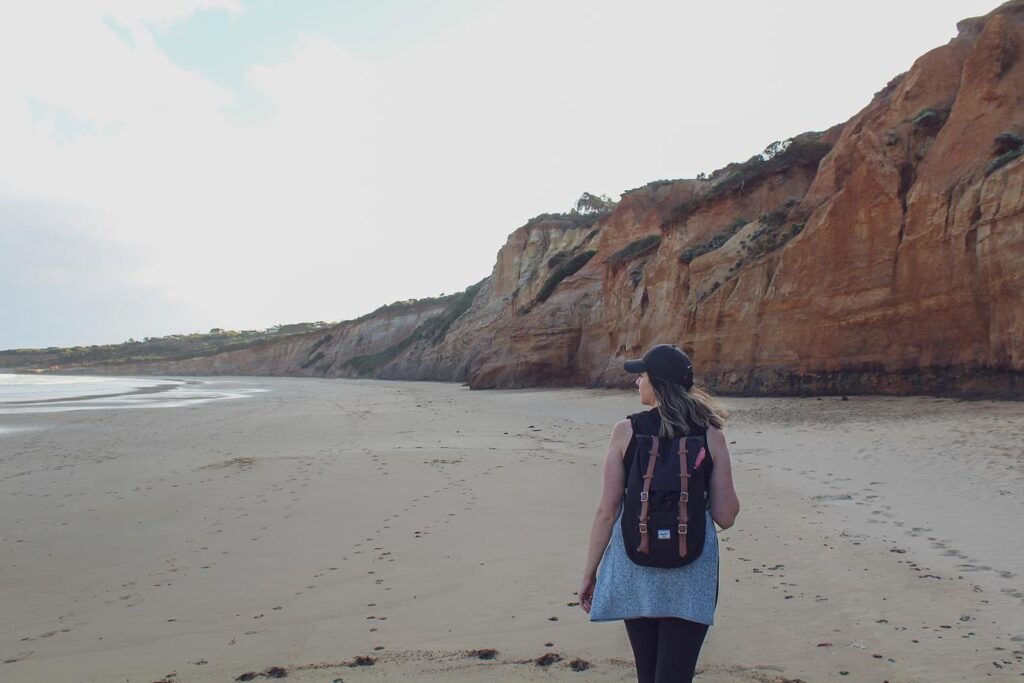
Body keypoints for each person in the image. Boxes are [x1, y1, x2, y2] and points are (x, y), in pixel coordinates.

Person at [579, 344, 740, 682]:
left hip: (635, 564)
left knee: (647, 675)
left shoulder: (626, 431)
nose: (637, 382)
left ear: (658, 383)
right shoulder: (712, 435)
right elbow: (726, 515)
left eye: (642, 375)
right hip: (692, 568)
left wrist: (590, 573)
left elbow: (607, 511)